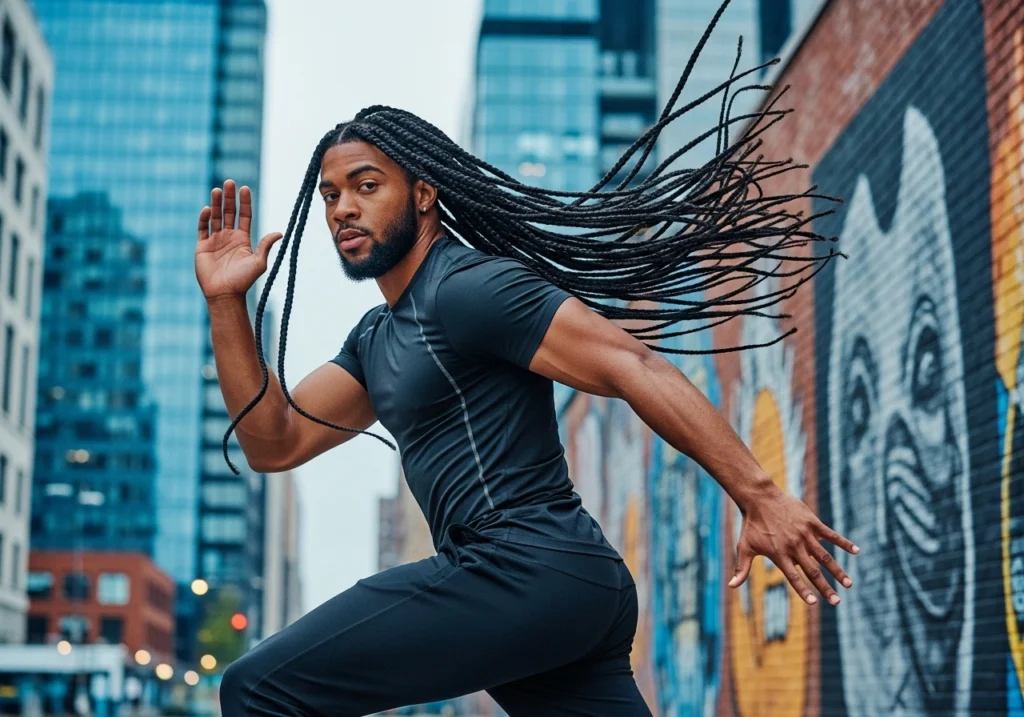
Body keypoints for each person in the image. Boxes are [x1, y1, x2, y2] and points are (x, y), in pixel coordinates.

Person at [197, 12, 857, 715]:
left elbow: (634, 365)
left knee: (256, 688)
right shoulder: (376, 337)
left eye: (366, 185)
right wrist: (227, 304)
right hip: (558, 595)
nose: (342, 210)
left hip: (523, 572)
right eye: (330, 195)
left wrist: (758, 493)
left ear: (423, 193)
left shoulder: (468, 289)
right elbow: (275, 441)